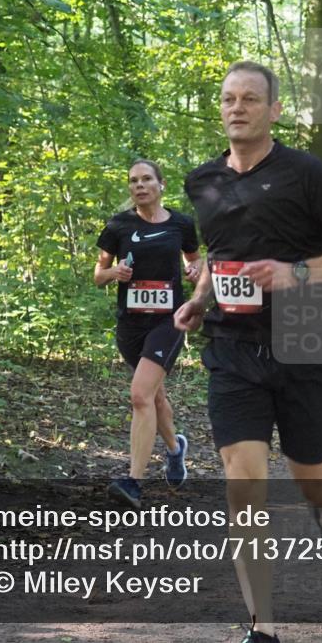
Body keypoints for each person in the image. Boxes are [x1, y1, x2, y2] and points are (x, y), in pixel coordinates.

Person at [174, 61, 322, 643]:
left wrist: (296, 272)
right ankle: (263, 626)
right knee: (244, 480)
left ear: (274, 110)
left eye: (250, 99)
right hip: (233, 345)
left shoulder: (306, 174)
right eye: (228, 98)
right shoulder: (202, 182)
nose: (237, 108)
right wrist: (200, 299)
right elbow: (221, 255)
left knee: (314, 477)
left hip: (307, 333)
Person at [94, 159, 201, 508]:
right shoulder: (118, 225)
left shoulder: (182, 224)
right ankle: (175, 449)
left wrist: (195, 270)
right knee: (154, 398)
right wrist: (115, 275)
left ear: (161, 184)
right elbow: (99, 273)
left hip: (168, 321)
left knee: (140, 395)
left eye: (146, 179)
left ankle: (133, 482)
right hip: (131, 325)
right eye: (133, 181)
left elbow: (195, 262)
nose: (139, 186)